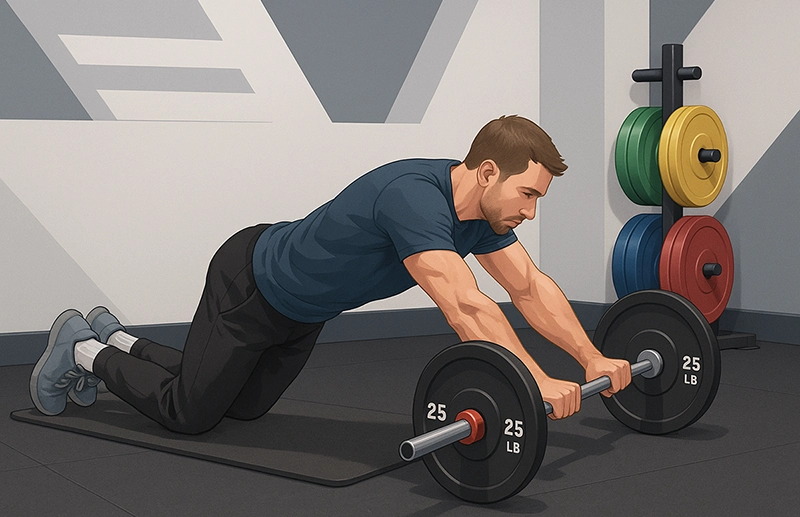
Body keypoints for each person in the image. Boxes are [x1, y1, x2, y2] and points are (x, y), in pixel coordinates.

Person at [30, 115, 631, 434]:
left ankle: (118, 336)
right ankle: (81, 349)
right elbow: (465, 306)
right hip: (251, 284)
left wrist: (590, 358)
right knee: (191, 414)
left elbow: (528, 287)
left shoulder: (483, 217)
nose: (530, 212)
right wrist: (534, 378)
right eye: (528, 194)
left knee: (242, 409)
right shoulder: (414, 197)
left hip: (304, 313)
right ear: (488, 172)